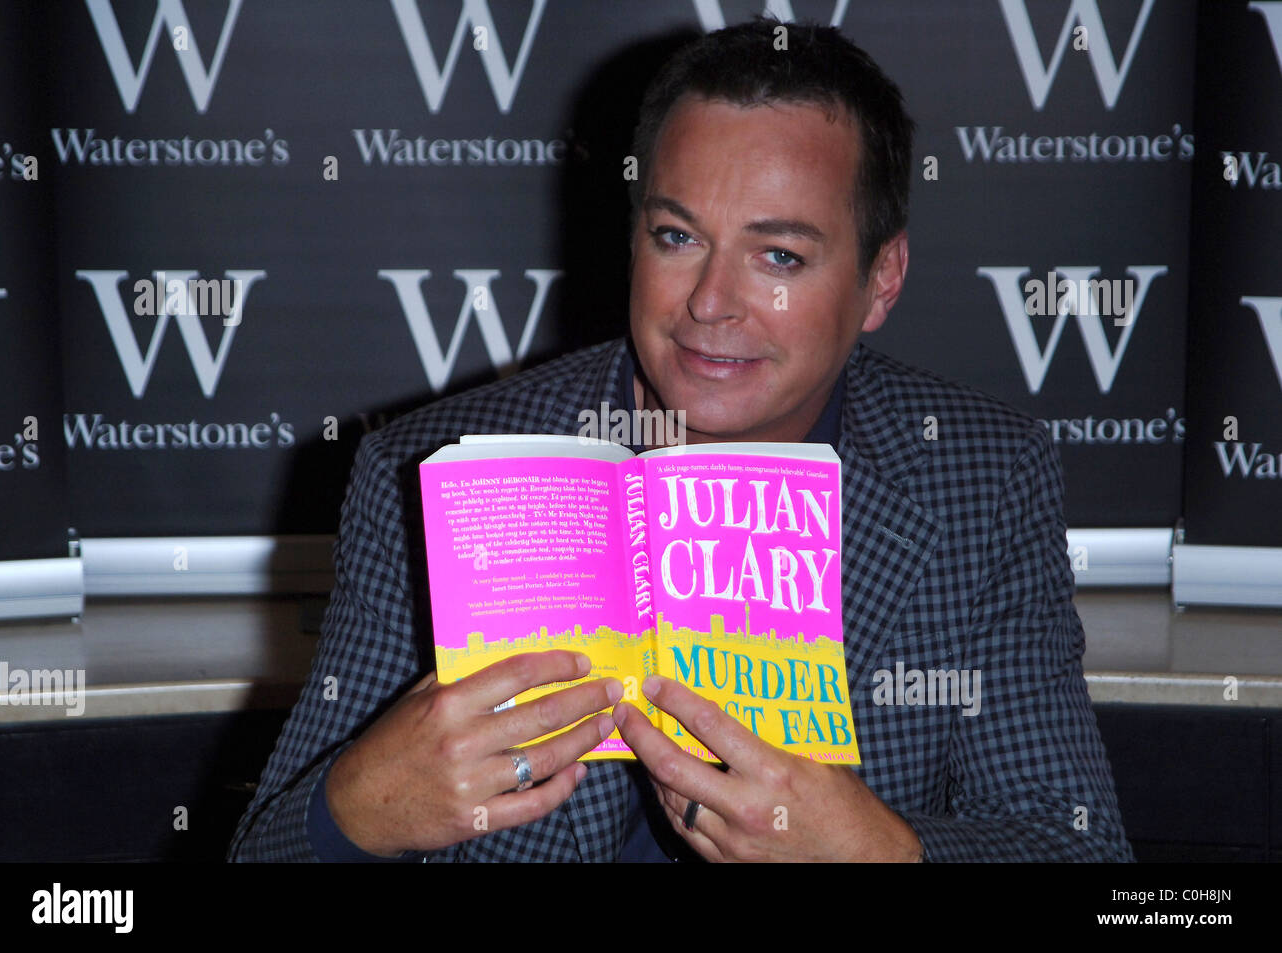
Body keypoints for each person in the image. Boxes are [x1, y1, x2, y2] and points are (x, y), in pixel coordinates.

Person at [229, 18, 1133, 862]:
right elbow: (261, 846)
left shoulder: (983, 476)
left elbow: (1078, 845)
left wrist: (885, 852)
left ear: (881, 276)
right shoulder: (425, 471)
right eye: (675, 236)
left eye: (779, 256)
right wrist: (353, 809)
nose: (709, 301)